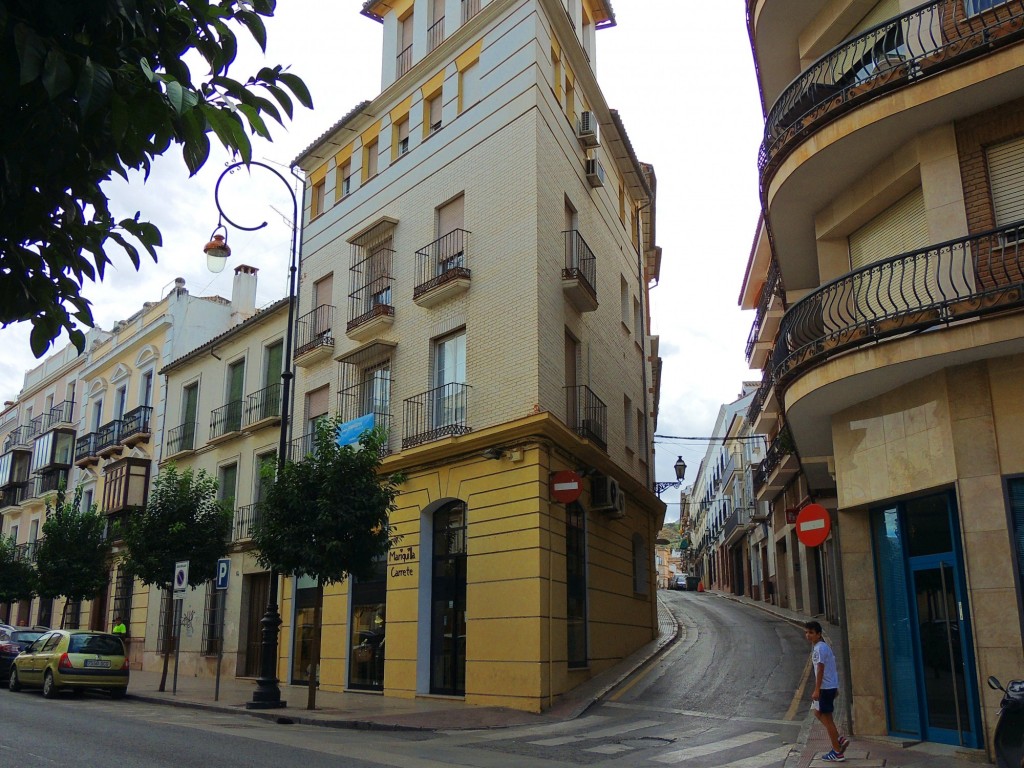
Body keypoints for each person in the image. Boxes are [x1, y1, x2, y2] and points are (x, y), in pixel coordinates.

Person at [804, 620, 849, 762]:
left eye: (811, 632)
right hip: (830, 687)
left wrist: (817, 690)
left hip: (824, 688)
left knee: (828, 720)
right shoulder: (824, 647)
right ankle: (839, 739)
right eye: (806, 632)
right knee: (817, 712)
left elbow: (820, 669)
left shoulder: (818, 649)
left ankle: (837, 751)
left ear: (818, 634)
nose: (808, 635)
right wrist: (835, 687)